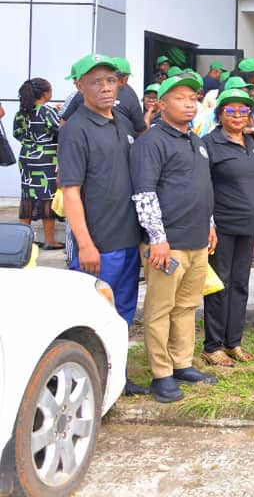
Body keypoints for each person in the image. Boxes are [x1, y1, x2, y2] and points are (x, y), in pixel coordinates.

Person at [59, 54, 147, 396]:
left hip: (127, 239)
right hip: (98, 246)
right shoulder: (75, 130)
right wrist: (85, 243)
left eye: (111, 81)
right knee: (93, 316)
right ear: (79, 86)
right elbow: (71, 192)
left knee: (122, 314)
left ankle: (117, 380)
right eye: (96, 82)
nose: (106, 88)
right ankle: (90, 385)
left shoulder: (122, 122)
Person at [130, 73, 218, 403]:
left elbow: (202, 188)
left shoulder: (195, 140)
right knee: (159, 309)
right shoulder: (151, 143)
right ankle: (161, 374)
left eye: (193, 99)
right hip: (167, 244)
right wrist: (157, 238)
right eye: (180, 98)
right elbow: (144, 193)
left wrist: (209, 223)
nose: (189, 104)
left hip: (197, 241)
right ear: (162, 104)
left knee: (186, 306)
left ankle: (182, 364)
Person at [200, 87, 254, 368]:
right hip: (222, 226)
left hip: (248, 225)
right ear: (220, 115)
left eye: (243, 110)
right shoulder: (209, 143)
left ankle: (233, 342)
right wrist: (209, 223)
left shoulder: (252, 143)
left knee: (240, 285)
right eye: (231, 110)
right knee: (220, 285)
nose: (238, 115)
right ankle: (213, 346)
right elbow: (202, 186)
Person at [14, 78, 61, 249]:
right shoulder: (47, 111)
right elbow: (60, 130)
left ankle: (24, 241)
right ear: (45, 94)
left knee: (27, 196)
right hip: (45, 159)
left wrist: (30, 144)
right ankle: (49, 240)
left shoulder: (21, 112)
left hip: (26, 157)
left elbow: (17, 133)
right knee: (47, 196)